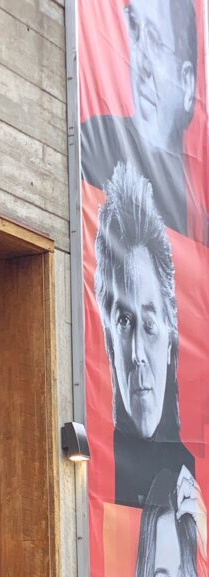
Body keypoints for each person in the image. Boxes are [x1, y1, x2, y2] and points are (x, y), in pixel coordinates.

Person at [94, 163, 194, 507]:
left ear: (170, 335)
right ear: (108, 338)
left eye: (149, 324)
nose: (136, 351)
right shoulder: (96, 472)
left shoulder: (193, 479)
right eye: (123, 321)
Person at [81, 0, 198, 239]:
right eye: (134, 28)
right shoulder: (92, 145)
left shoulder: (199, 228)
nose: (141, 63)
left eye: (155, 41)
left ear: (186, 85)